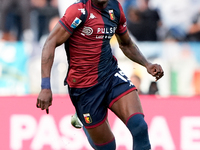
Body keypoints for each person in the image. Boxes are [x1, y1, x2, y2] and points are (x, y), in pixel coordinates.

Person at [36, 0, 164, 149]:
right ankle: (84, 121)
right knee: (108, 147)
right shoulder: (78, 11)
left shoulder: (115, 8)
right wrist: (45, 86)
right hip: (84, 88)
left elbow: (126, 43)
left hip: (110, 75)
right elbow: (50, 43)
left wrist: (147, 64)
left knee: (139, 126)